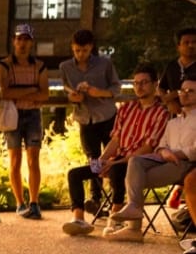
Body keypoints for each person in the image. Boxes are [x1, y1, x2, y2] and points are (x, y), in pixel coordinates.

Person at [63, 63, 167, 236]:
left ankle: (115, 220)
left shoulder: (160, 113)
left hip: (139, 164)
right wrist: (102, 160)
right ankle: (79, 220)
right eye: (136, 83)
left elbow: (147, 148)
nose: (139, 87)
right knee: (74, 174)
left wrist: (113, 163)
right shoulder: (127, 108)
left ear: (155, 84)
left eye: (144, 83)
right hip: (116, 159)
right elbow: (116, 140)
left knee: (117, 170)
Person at [106, 79, 196, 241]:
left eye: (191, 91)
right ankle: (134, 211)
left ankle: (134, 229)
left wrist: (174, 153)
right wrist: (163, 151)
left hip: (186, 164)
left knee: (134, 179)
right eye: (183, 90)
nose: (185, 94)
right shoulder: (173, 122)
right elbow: (161, 145)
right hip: (165, 160)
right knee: (135, 161)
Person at [59, 29, 120, 211]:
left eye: (84, 50)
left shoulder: (105, 64)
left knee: (113, 157)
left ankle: (117, 197)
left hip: (107, 116)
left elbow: (116, 88)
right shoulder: (65, 67)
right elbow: (65, 90)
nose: (80, 54)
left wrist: (98, 92)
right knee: (93, 160)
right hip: (85, 119)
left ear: (91, 48)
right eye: (77, 50)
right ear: (72, 48)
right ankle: (96, 198)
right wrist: (74, 97)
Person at [0, 23, 49, 218]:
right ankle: (19, 202)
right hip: (13, 114)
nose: (22, 43)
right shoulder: (4, 65)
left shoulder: (40, 65)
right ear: (13, 41)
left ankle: (34, 202)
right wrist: (31, 90)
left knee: (33, 159)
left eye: (26, 39)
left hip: (33, 115)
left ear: (31, 43)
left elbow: (45, 95)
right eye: (19, 39)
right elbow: (5, 93)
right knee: (15, 159)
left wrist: (19, 92)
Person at [158, 27, 196, 115]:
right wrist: (168, 102)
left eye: (194, 42)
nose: (191, 45)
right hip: (175, 115)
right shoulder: (172, 65)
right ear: (178, 47)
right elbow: (161, 87)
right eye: (186, 42)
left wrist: (176, 93)